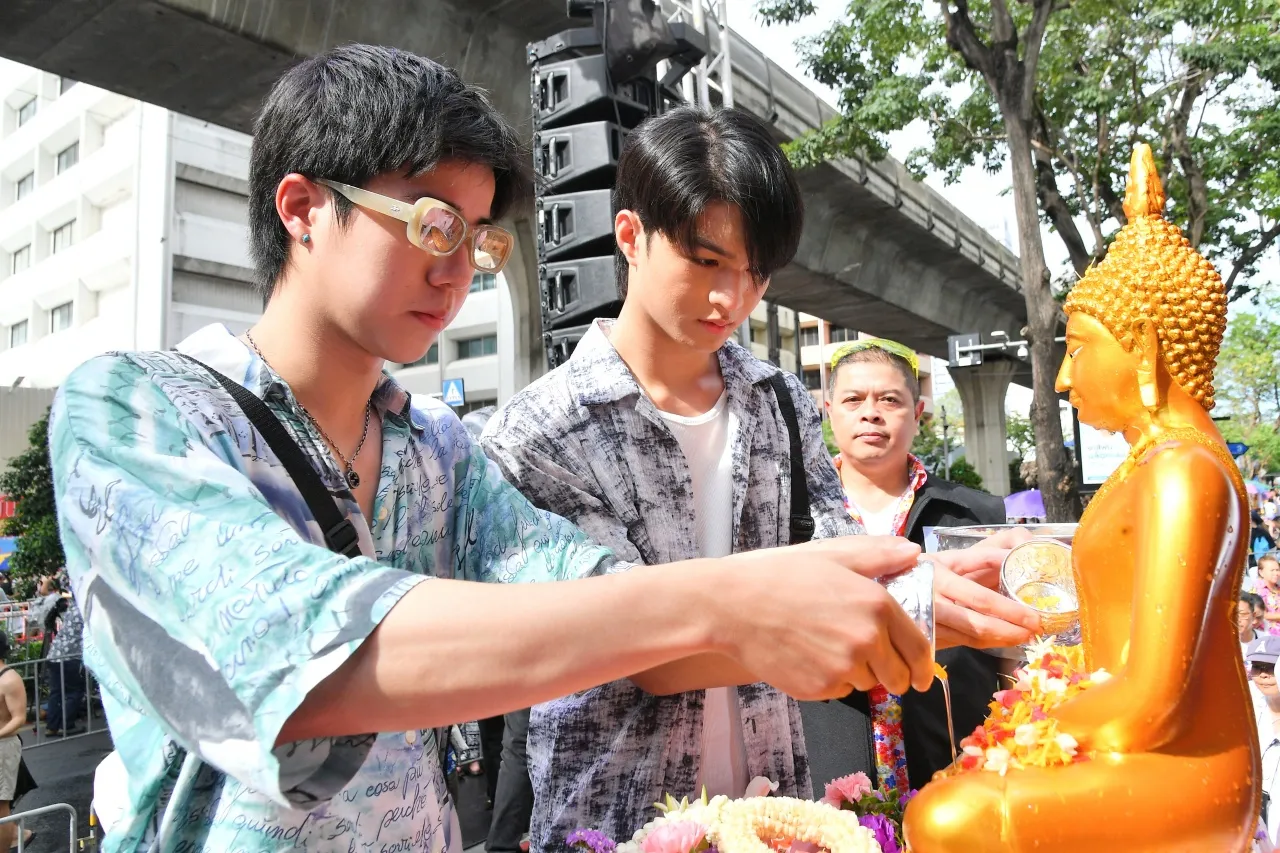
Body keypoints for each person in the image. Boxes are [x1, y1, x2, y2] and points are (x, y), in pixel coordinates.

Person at [49, 46, 978, 853]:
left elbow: (591, 590)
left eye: (477, 239)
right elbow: (301, 650)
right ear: (301, 207)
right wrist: (732, 599)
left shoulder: (438, 450)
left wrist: (929, 589)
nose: (456, 271)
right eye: (430, 224)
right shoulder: (131, 413)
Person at [481, 105, 1038, 851]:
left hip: (777, 810)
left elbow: (842, 557)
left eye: (755, 274)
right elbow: (636, 645)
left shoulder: (776, 399)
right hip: (615, 818)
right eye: (707, 262)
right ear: (630, 237)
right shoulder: (542, 431)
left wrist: (924, 579)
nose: (730, 301)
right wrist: (918, 604)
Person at [824, 337, 1010, 792]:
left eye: (890, 399)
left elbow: (1006, 643)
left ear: (919, 411)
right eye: (853, 399)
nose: (871, 412)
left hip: (957, 755)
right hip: (831, 755)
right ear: (829, 410)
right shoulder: (794, 514)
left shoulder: (975, 516)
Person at [0, 633, 33, 851]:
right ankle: (18, 835)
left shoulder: (9, 679)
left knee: (0, 805)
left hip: (3, 746)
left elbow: (19, 717)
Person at [1250, 636, 1280, 849]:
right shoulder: (1247, 706)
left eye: (1270, 667)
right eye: (1257, 666)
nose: (1263, 674)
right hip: (1254, 817)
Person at [43, 594, 85, 737]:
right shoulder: (86, 609)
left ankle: (52, 726)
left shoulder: (72, 607)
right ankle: (66, 725)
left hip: (55, 654)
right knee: (75, 691)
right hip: (70, 656)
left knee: (56, 692)